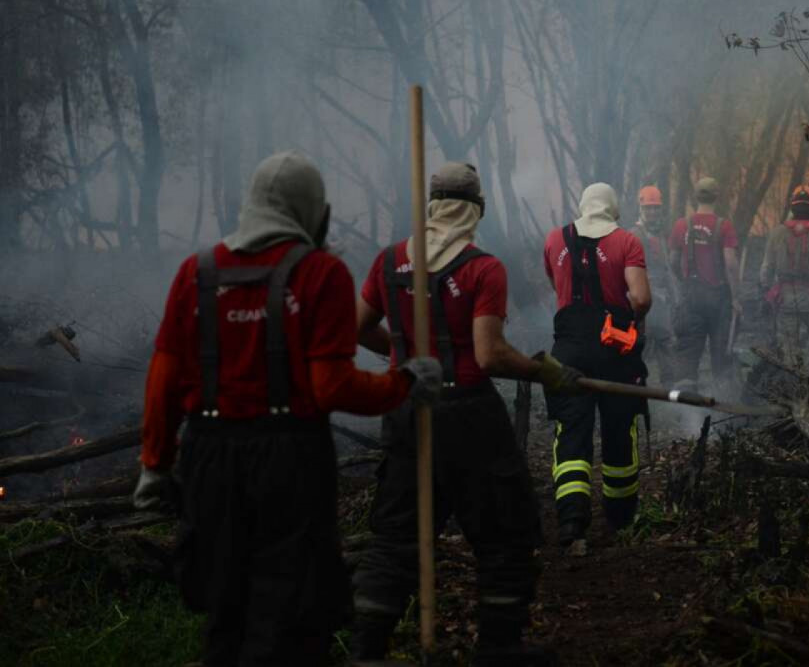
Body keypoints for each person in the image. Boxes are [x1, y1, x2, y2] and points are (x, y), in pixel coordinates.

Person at [133, 151, 440, 667]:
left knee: (225, 612)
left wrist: (154, 466)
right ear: (311, 212)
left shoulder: (197, 273)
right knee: (291, 617)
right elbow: (332, 387)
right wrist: (404, 382)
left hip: (209, 459)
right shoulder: (321, 275)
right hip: (289, 463)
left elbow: (162, 379)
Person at [351, 162, 577, 666]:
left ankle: (367, 651)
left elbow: (357, 327)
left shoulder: (389, 263)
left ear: (430, 206)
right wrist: (542, 372)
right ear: (475, 209)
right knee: (504, 531)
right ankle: (499, 646)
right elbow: (490, 354)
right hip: (470, 416)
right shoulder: (481, 268)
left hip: (406, 409)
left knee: (395, 538)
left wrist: (408, 359)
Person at [542, 183, 651, 557]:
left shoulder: (555, 239)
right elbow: (640, 297)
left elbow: (555, 284)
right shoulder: (627, 241)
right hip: (615, 350)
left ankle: (571, 520)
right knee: (619, 427)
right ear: (613, 209)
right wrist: (634, 322)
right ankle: (620, 518)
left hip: (567, 350)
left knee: (571, 430)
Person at [668, 176, 741, 386]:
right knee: (721, 357)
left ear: (695, 197)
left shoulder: (681, 225)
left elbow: (673, 261)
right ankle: (723, 406)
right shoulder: (724, 226)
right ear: (716, 197)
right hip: (719, 300)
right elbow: (731, 264)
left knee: (688, 355)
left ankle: (685, 406)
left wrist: (684, 281)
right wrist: (736, 297)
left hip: (691, 299)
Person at [760, 187, 809, 369]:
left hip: (784, 299)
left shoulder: (777, 232)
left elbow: (767, 267)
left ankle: (793, 385)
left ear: (792, 209)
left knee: (788, 348)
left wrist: (766, 290)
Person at [628, 185, 676, 383]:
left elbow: (665, 269)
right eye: (648, 208)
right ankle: (637, 390)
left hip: (661, 301)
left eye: (656, 208)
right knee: (641, 346)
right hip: (644, 300)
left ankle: (668, 394)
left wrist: (673, 294)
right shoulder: (634, 235)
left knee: (666, 344)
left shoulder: (659, 235)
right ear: (641, 209)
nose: (653, 212)